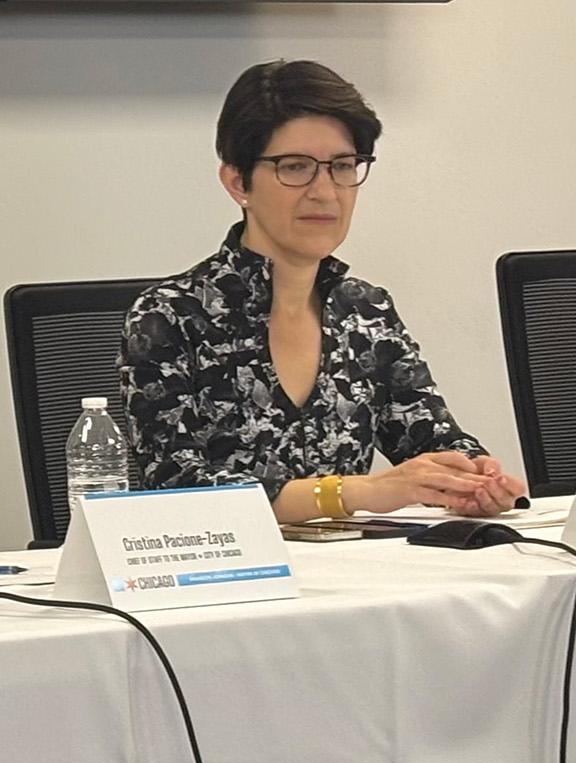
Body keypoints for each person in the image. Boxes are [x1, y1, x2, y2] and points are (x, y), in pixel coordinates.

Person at [119, 59, 526, 523]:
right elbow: (176, 487)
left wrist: (473, 476)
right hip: (225, 582)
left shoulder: (366, 311)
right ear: (238, 182)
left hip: (354, 576)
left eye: (343, 166)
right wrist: (355, 493)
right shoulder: (169, 316)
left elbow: (429, 437)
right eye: (295, 167)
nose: (325, 191)